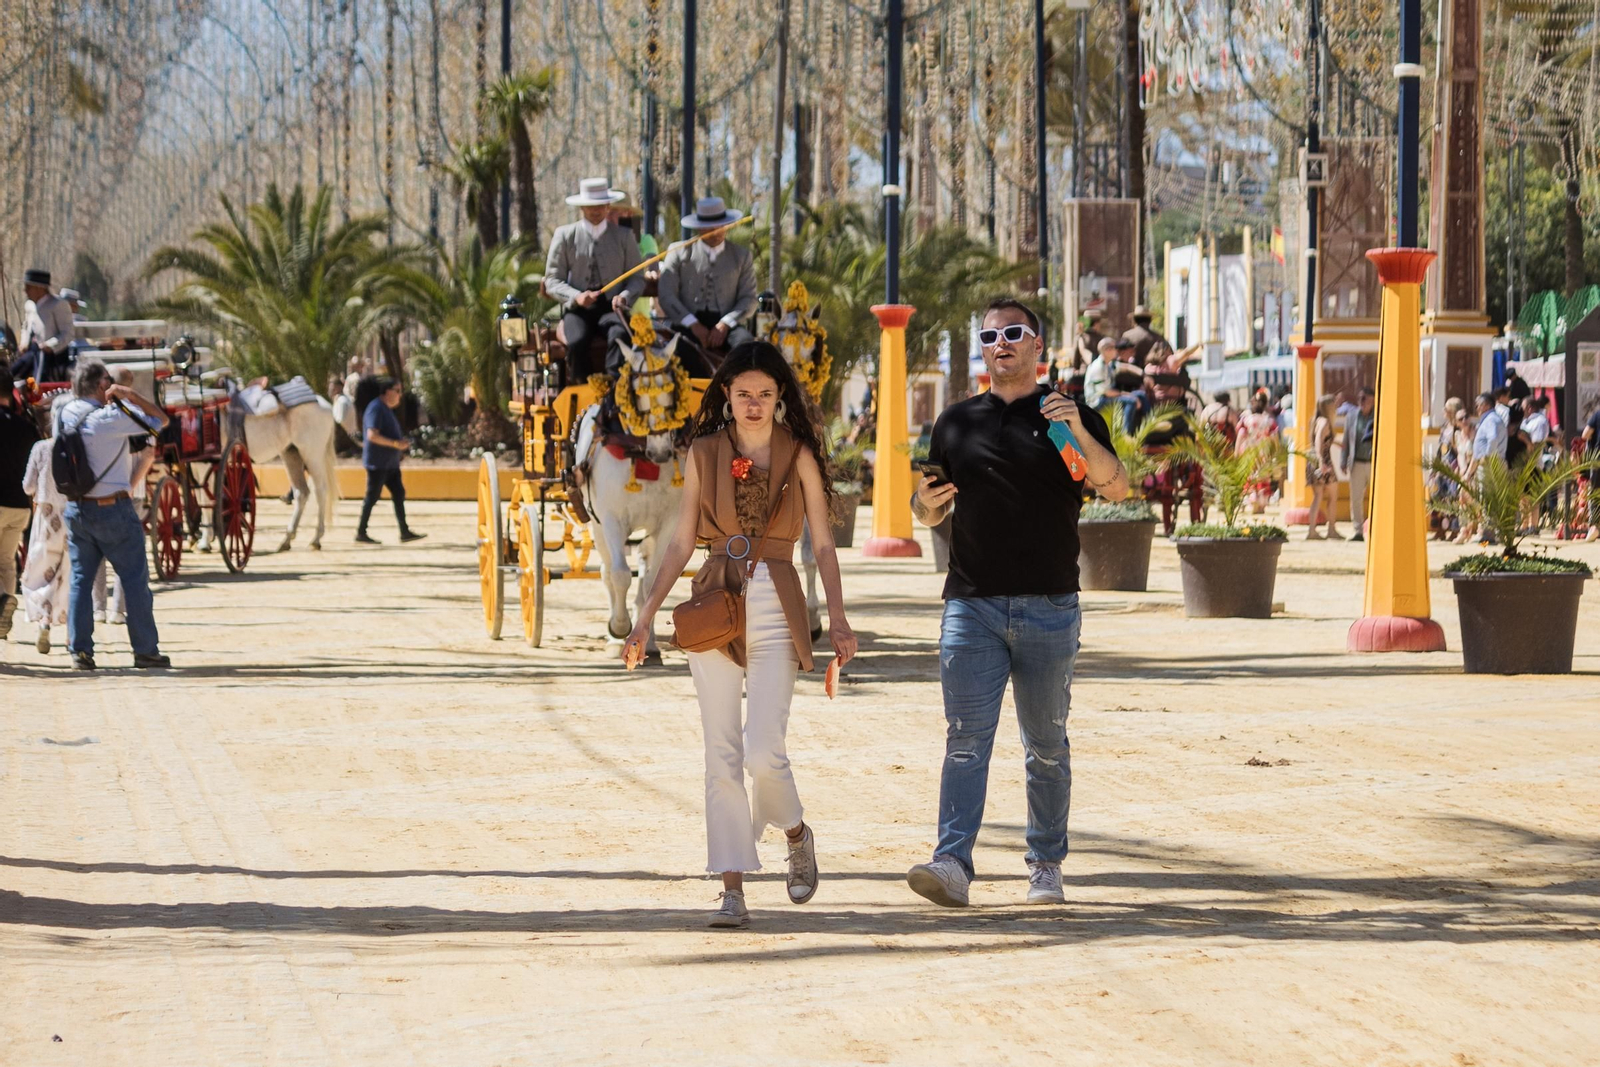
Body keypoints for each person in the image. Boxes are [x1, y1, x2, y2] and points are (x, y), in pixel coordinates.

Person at [620, 341, 857, 929]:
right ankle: (732, 889)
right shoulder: (703, 452)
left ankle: (796, 833)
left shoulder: (798, 452)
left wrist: (838, 617)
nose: (754, 404)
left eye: (765, 394)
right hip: (715, 601)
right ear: (726, 395)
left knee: (762, 750)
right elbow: (681, 541)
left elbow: (822, 544)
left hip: (778, 599)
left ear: (780, 399)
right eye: (744, 393)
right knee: (720, 754)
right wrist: (645, 616)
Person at [904, 297, 1126, 909]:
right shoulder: (955, 423)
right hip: (970, 606)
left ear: (1037, 345)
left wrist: (1078, 428)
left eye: (1012, 333)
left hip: (1050, 605)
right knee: (965, 741)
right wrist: (924, 503)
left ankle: (1046, 866)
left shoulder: (1069, 416)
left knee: (1046, 746)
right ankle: (951, 864)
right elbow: (927, 511)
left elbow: (1115, 485)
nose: (999, 343)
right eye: (989, 336)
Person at [58, 359, 171, 670]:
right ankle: (145, 650)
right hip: (113, 509)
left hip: (77, 507)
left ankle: (80, 651)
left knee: (80, 580)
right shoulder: (110, 417)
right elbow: (160, 420)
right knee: (134, 580)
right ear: (101, 385)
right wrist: (129, 395)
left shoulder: (64, 412)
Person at [543, 177, 644, 380]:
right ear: (582, 207)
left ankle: (615, 386)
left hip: (612, 308)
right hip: (578, 310)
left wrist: (624, 296)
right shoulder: (565, 236)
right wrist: (576, 296)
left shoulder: (625, 236)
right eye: (590, 206)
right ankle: (583, 386)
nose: (595, 210)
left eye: (600, 205)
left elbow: (637, 278)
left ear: (608, 206)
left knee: (620, 336)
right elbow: (552, 280)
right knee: (576, 341)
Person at [656, 196, 758, 375]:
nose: (716, 231)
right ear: (699, 228)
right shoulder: (678, 252)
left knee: (747, 348)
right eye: (710, 227)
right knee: (680, 349)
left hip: (727, 323)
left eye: (720, 226)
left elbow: (749, 298)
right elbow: (666, 294)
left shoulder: (741, 256)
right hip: (686, 323)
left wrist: (725, 324)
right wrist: (693, 324)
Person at [19, 395, 71, 652]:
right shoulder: (76, 447)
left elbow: (28, 486)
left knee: (41, 573)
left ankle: (45, 621)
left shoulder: (40, 448)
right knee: (69, 574)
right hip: (72, 515)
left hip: (46, 519)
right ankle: (73, 634)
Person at [356, 377, 425, 545]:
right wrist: (395, 444)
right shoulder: (376, 408)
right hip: (378, 463)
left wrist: (398, 448)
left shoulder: (385, 409)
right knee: (372, 497)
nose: (400, 395)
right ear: (387, 391)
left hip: (390, 463)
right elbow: (372, 435)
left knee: (399, 494)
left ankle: (404, 531)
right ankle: (361, 532)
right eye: (397, 391)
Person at [0, 368, 41, 640]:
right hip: (19, 506)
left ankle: (2, 600)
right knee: (6, 560)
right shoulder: (27, 428)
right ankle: (3, 611)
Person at [9, 269, 75, 383]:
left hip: (51, 356)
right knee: (12, 372)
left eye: (29, 287)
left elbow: (68, 333)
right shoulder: (29, 305)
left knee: (39, 378)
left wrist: (50, 345)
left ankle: (37, 391)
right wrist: (24, 343)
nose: (25, 290)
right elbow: (26, 326)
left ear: (39, 288)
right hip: (32, 351)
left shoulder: (58, 304)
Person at [1235, 392, 1280, 513]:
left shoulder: (1246, 420)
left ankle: (1252, 500)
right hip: (1263, 453)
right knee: (1262, 478)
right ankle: (1261, 504)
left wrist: (1236, 453)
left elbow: (1241, 435)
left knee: (1250, 477)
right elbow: (1274, 438)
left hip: (1248, 452)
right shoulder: (1269, 420)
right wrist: (1275, 453)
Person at [1306, 394, 1343, 541]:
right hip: (1323, 460)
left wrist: (1337, 443)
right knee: (1333, 496)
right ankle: (1331, 529)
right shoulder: (1325, 422)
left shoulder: (1315, 420)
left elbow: (1322, 439)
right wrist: (1322, 461)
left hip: (1312, 460)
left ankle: (1312, 530)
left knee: (1318, 496)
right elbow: (1319, 440)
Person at [1342, 387, 1376, 541]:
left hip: (1374, 463)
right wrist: (1343, 461)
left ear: (1373, 400)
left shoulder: (1379, 415)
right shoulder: (1351, 416)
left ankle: (1376, 529)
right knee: (1356, 498)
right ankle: (1358, 531)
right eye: (1360, 398)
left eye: (1365, 398)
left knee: (1377, 497)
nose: (1361, 402)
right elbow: (1346, 440)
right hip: (1357, 462)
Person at [1580, 402, 1600, 541]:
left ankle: (1594, 527)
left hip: (1597, 458)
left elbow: (1585, 434)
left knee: (1594, 493)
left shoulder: (1597, 415)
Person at [1082, 337, 1117, 410]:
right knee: (1130, 401)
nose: (1116, 350)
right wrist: (1124, 394)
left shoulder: (1108, 364)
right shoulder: (1098, 366)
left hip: (1104, 397)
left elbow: (1125, 367)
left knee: (1138, 395)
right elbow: (1106, 392)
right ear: (1107, 350)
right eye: (1114, 348)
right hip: (1096, 402)